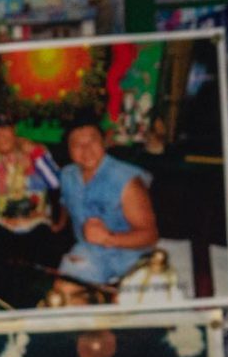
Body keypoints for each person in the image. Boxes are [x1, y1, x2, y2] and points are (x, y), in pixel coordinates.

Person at [54, 119, 159, 295]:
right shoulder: (67, 175)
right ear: (69, 150)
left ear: (104, 142)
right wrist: (59, 222)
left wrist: (108, 238)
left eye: (92, 141)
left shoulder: (126, 180)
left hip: (132, 256)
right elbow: (66, 202)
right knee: (64, 293)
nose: (85, 149)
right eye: (77, 144)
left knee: (130, 312)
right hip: (90, 252)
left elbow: (150, 236)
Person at [0, 117, 63, 287]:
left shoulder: (35, 150)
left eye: (4, 129)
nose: (0, 136)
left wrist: (36, 154)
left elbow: (55, 183)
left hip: (37, 223)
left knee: (45, 269)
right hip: (0, 224)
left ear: (13, 129)